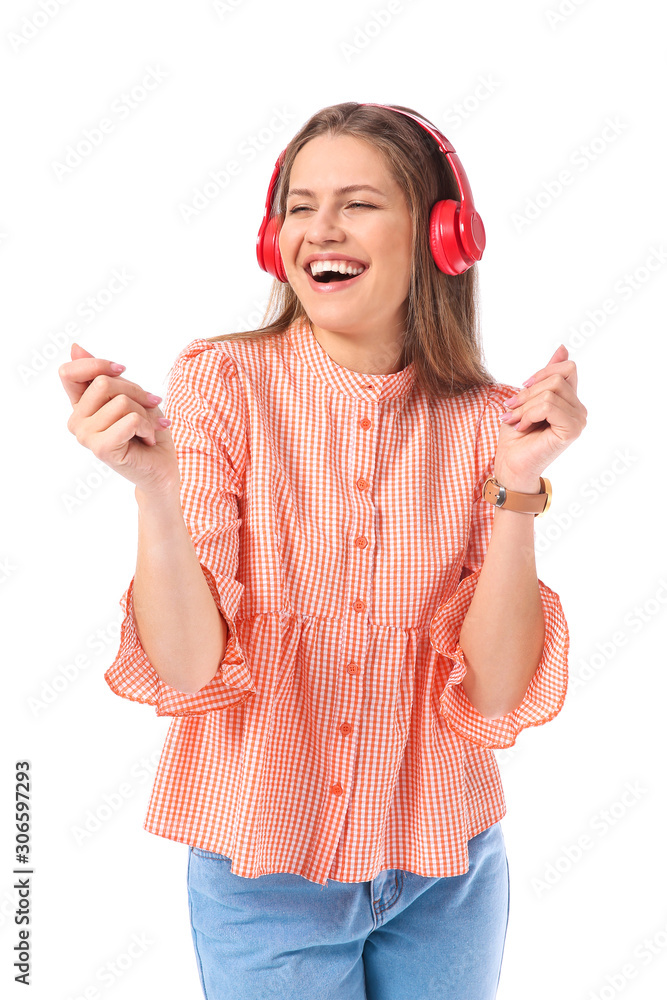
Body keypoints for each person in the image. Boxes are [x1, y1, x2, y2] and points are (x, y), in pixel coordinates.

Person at [59, 101, 587, 1000]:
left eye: (357, 204)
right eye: (299, 207)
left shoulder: (487, 421)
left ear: (443, 235)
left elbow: (495, 690)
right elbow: (188, 670)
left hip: (445, 868)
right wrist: (154, 488)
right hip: (266, 870)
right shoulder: (222, 382)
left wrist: (516, 487)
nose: (319, 231)